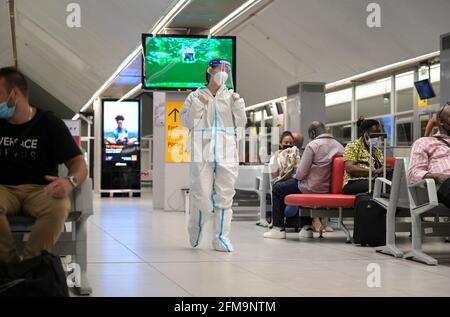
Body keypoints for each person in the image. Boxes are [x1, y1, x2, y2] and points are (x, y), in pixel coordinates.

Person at [0, 67, 88, 263]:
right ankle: (10, 267)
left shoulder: (49, 123)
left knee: (58, 206)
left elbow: (79, 163)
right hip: (3, 189)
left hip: (41, 189)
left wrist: (69, 182)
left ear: (14, 95)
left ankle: (32, 266)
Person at [180, 58, 246, 252]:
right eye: (219, 68)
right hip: (201, 150)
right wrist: (199, 103)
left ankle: (220, 239)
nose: (223, 72)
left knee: (225, 196)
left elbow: (241, 125)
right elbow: (187, 122)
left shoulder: (232, 97)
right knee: (201, 196)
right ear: (210, 71)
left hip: (226, 151)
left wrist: (239, 105)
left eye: (226, 69)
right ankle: (196, 231)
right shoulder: (195, 96)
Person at [264, 122, 344, 239]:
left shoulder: (313, 145)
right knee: (301, 186)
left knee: (278, 188)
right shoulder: (340, 146)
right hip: (329, 189)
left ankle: (278, 228)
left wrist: (289, 177)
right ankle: (306, 227)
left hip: (312, 187)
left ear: (312, 133)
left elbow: (301, 174)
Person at [408, 103, 450, 208]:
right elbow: (414, 173)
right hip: (444, 184)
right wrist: (437, 176)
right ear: (440, 121)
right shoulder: (424, 142)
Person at [342, 117, 391, 195]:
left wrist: (386, 170)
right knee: (376, 188)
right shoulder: (353, 146)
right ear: (365, 133)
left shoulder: (377, 151)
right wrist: (374, 171)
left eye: (379, 133)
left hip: (373, 181)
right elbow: (349, 168)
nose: (377, 136)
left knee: (393, 185)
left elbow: (379, 171)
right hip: (354, 182)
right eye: (374, 133)